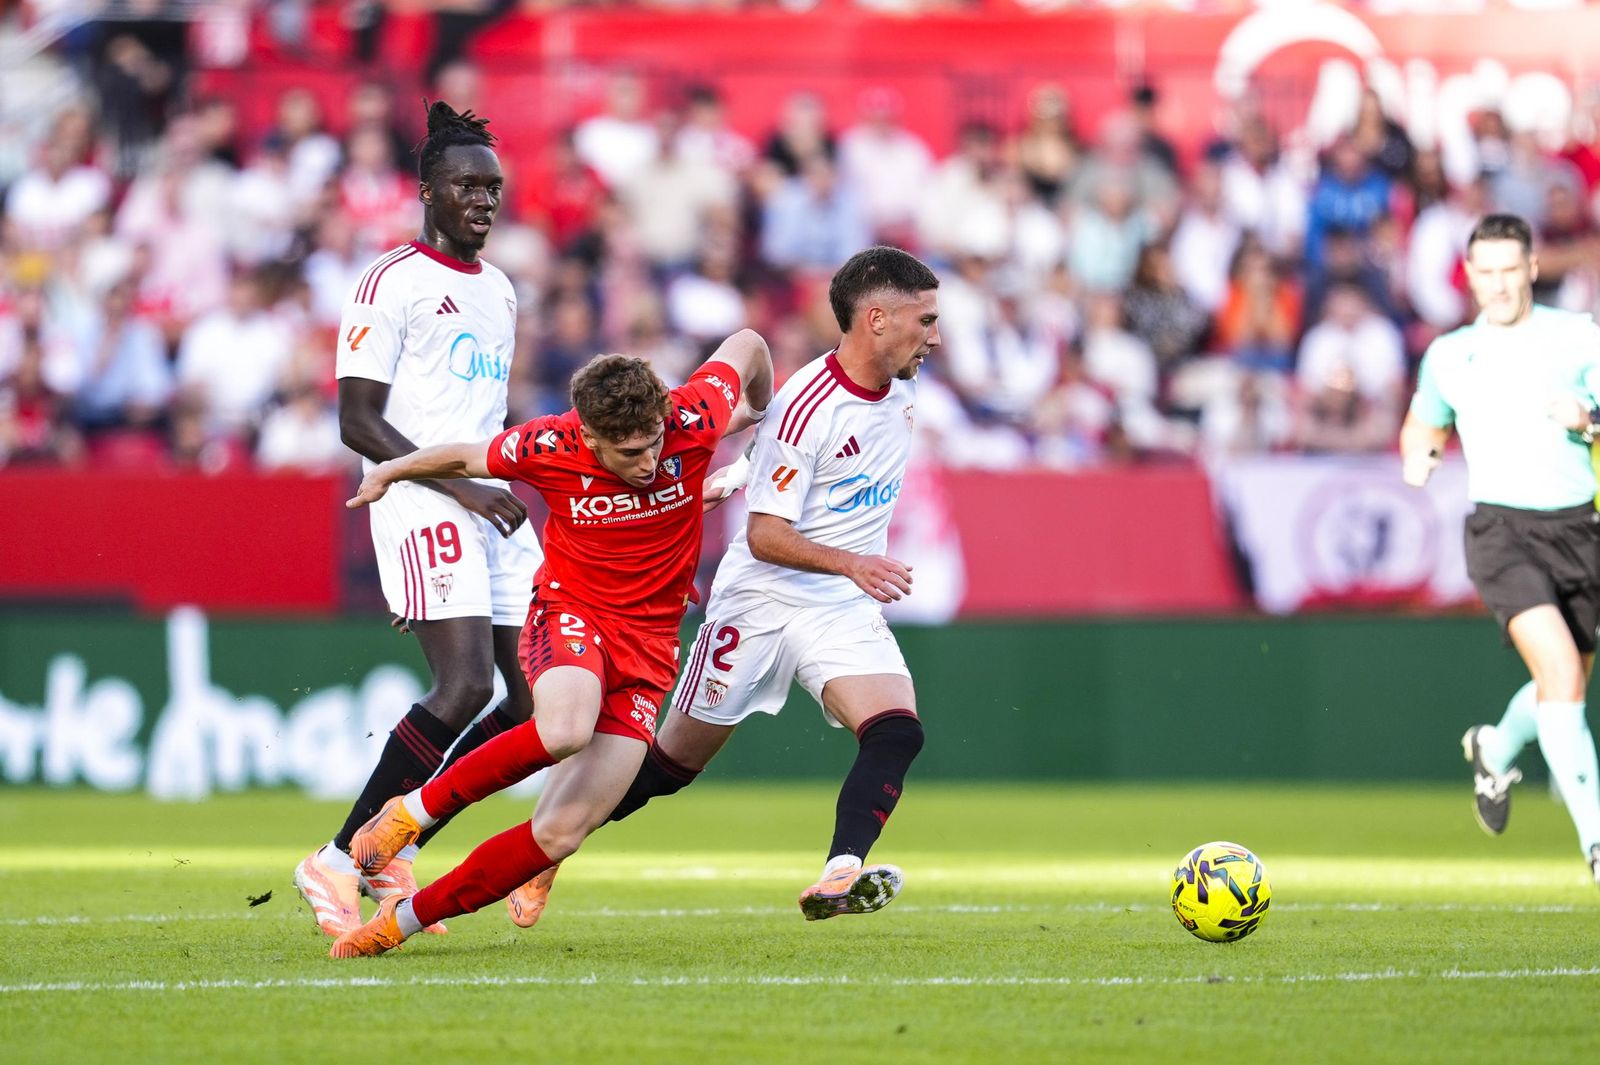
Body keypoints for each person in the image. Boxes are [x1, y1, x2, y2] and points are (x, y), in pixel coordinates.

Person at [506, 246, 940, 928]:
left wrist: (741, 480)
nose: (935, 336)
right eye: (926, 320)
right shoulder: (806, 404)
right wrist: (854, 562)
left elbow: (781, 467)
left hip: (837, 604)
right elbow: (765, 535)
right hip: (760, 598)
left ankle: (840, 871)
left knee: (897, 732)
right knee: (669, 766)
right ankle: (547, 847)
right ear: (877, 319)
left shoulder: (904, 393)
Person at [327, 327, 773, 957]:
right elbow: (463, 458)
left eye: (654, 443)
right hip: (572, 612)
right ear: (588, 436)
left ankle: (400, 923)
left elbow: (749, 344)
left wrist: (759, 410)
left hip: (651, 646)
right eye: (629, 452)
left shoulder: (694, 415)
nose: (649, 461)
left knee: (561, 833)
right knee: (564, 728)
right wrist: (392, 472)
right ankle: (409, 814)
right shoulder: (549, 444)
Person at [292, 101, 544, 938]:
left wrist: (498, 482)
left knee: (537, 700)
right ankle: (335, 859)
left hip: (488, 500)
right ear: (428, 191)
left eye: (493, 187)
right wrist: (460, 490)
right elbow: (357, 420)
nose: (483, 199)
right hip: (417, 495)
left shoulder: (501, 289)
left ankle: (394, 842)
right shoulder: (388, 282)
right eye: (466, 185)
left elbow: (482, 415)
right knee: (465, 684)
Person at [1400, 212, 1600, 888]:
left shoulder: (1577, 335)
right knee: (1563, 678)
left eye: (1510, 269)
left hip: (1580, 530)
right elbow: (1424, 424)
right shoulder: (1450, 354)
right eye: (1486, 272)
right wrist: (1419, 456)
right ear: (1469, 275)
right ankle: (1596, 845)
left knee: (1562, 685)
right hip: (1501, 533)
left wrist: (1589, 418)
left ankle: (1494, 745)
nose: (1499, 284)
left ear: (1533, 268)